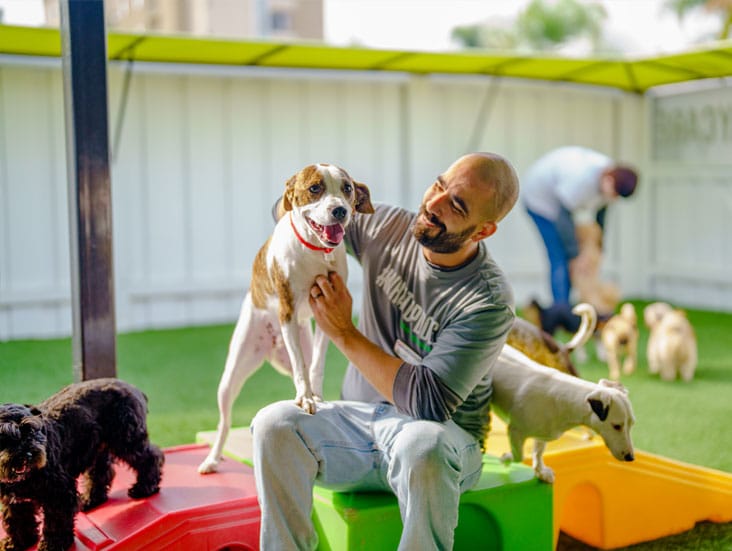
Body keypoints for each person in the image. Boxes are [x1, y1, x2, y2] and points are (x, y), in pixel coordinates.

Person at [251, 152, 520, 550]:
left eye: (456, 205)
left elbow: (427, 402)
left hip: (443, 439)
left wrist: (344, 332)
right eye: (439, 184)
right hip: (355, 426)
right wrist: (301, 202)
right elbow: (292, 208)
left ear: (482, 231)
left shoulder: (488, 300)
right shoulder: (386, 225)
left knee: (422, 446)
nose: (434, 203)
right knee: (273, 424)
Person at [520, 146, 638, 335]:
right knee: (559, 256)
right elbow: (562, 217)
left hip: (560, 203)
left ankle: (575, 314)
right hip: (540, 201)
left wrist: (599, 247)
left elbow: (601, 215)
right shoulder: (581, 180)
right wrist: (575, 255)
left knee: (575, 259)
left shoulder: (608, 182)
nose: (614, 199)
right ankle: (562, 313)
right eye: (614, 193)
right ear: (608, 180)